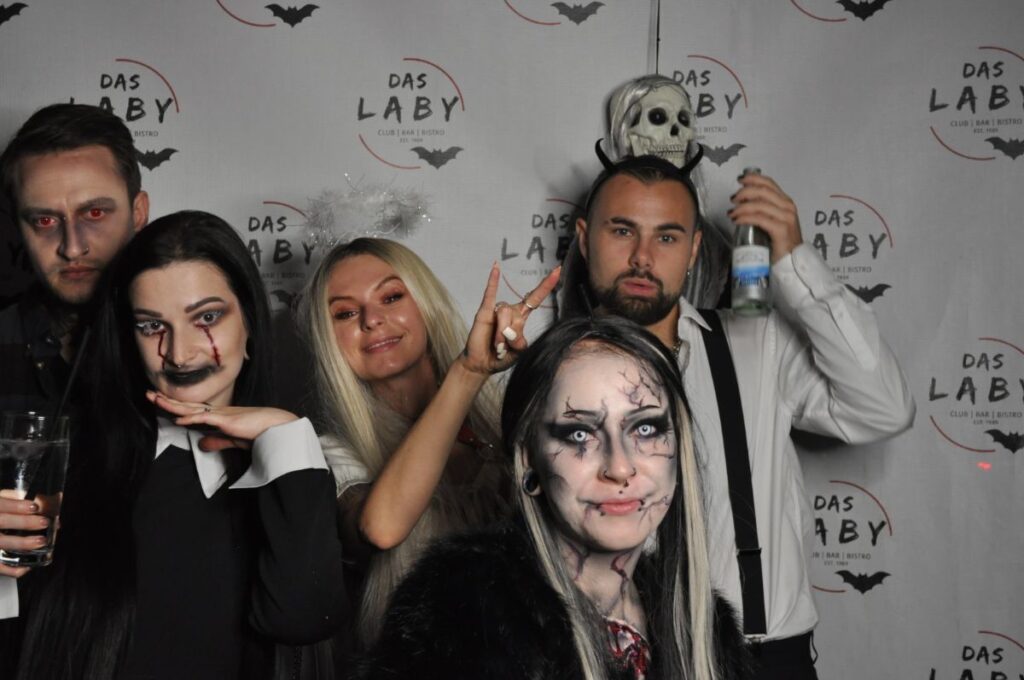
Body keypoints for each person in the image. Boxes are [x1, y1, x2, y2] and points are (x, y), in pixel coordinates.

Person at [562, 150, 915, 679]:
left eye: (666, 237)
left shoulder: (756, 344)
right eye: (622, 230)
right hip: (612, 657)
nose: (642, 257)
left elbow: (884, 407)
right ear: (586, 239)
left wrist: (794, 260)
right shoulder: (553, 371)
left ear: (693, 250)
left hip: (760, 658)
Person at [1, 211, 347, 680]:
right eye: (151, 326)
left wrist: (284, 433)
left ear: (250, 321)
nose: (179, 354)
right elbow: (20, 638)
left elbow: (300, 620)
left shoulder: (295, 464)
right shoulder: (70, 463)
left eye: (207, 317)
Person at [360, 315, 748, 680]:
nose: (620, 467)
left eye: (645, 429)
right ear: (529, 458)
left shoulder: (708, 630)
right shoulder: (463, 615)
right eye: (580, 434)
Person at [302, 237, 559, 646]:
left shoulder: (506, 420)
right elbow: (380, 529)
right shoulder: (329, 453)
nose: (372, 320)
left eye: (391, 297)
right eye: (346, 313)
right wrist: (469, 371)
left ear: (425, 304)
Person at [0, 103, 149, 415]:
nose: (72, 248)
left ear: (138, 213)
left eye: (94, 213)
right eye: (44, 221)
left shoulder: (178, 347)